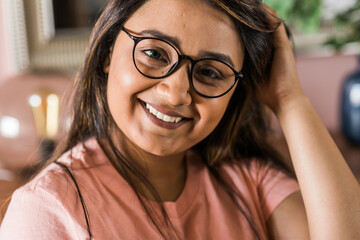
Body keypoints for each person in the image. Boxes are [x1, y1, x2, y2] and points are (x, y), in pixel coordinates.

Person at [1, 0, 359, 239]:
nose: (176, 93)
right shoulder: (48, 210)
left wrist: (288, 99)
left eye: (209, 72)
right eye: (154, 53)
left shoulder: (249, 183)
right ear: (109, 51)